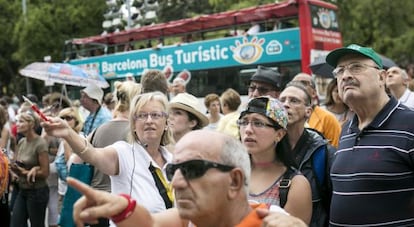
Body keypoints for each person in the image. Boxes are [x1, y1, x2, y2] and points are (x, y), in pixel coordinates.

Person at [67, 130, 308, 227]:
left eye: (193, 170)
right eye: (173, 171)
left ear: (234, 181)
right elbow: (149, 223)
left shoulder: (272, 222)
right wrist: (122, 207)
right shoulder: (189, 220)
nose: (177, 183)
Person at [41, 92, 175, 220]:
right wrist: (68, 133)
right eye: (142, 115)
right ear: (133, 125)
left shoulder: (173, 160)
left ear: (166, 123)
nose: (149, 120)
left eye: (156, 115)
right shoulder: (123, 153)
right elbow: (92, 154)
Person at [326, 43, 414, 226]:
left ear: (381, 77)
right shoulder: (345, 130)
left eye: (356, 67)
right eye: (340, 71)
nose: (346, 76)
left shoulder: (410, 124)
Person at [238, 96, 312, 224]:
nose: (248, 130)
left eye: (258, 123)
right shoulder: (232, 175)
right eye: (244, 122)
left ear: (279, 134)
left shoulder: (294, 185)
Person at [280, 81, 336, 227]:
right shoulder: (266, 149)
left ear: (308, 111)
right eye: (282, 100)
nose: (286, 104)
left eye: (294, 101)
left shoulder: (324, 154)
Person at [10, 111, 49, 227]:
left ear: (31, 124)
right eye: (17, 121)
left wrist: (25, 172)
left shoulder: (40, 143)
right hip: (22, 189)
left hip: (37, 192)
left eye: (21, 121)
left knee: (37, 224)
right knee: (16, 223)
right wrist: (13, 170)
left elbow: (45, 172)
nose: (17, 124)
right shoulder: (21, 141)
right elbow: (16, 163)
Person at [292, 73, 341, 147]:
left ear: (314, 93)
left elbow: (335, 151)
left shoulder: (327, 118)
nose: (298, 86)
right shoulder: (285, 117)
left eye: (304, 83)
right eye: (294, 84)